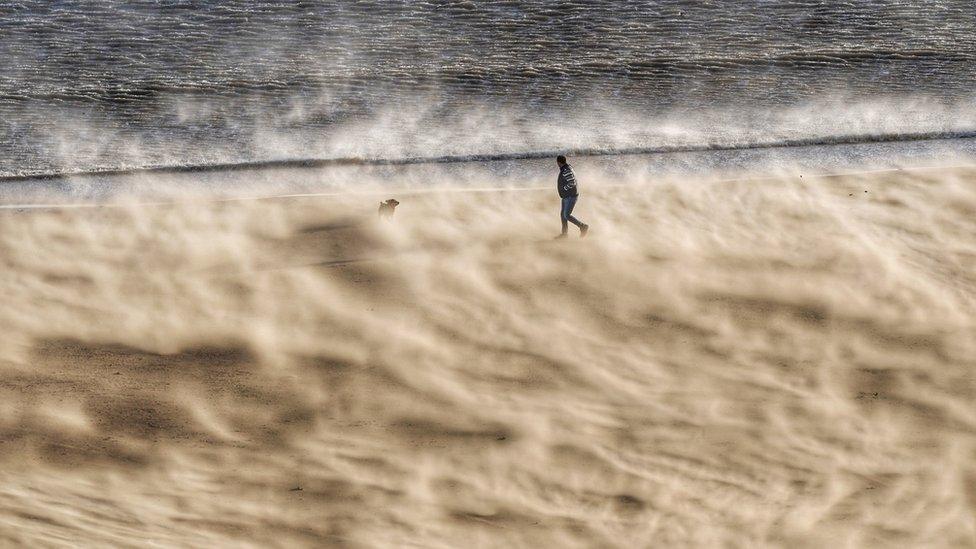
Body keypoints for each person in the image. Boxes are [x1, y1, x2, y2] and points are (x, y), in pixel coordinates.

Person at [555, 155, 589, 238]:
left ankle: (583, 226)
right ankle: (564, 234)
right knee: (563, 214)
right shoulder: (567, 168)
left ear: (558, 162)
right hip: (566, 196)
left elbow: (572, 183)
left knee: (566, 215)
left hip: (570, 196)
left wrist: (564, 189)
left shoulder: (566, 170)